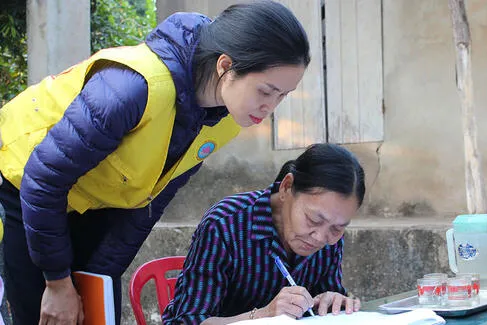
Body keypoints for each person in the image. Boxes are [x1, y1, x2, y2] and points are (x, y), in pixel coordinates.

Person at [0, 1, 310, 324]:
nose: (270, 107)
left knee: (97, 312)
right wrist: (58, 282)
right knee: (47, 312)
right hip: (32, 186)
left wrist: (99, 279)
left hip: (96, 201)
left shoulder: (227, 118)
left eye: (283, 96)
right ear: (225, 66)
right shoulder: (134, 88)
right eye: (266, 91)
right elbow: (44, 178)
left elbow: (150, 202)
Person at [162, 143, 366, 324]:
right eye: (313, 220)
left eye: (337, 228)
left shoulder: (330, 238)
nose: (321, 237)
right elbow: (188, 320)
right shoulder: (225, 224)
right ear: (287, 187)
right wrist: (264, 315)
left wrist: (332, 303)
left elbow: (323, 305)